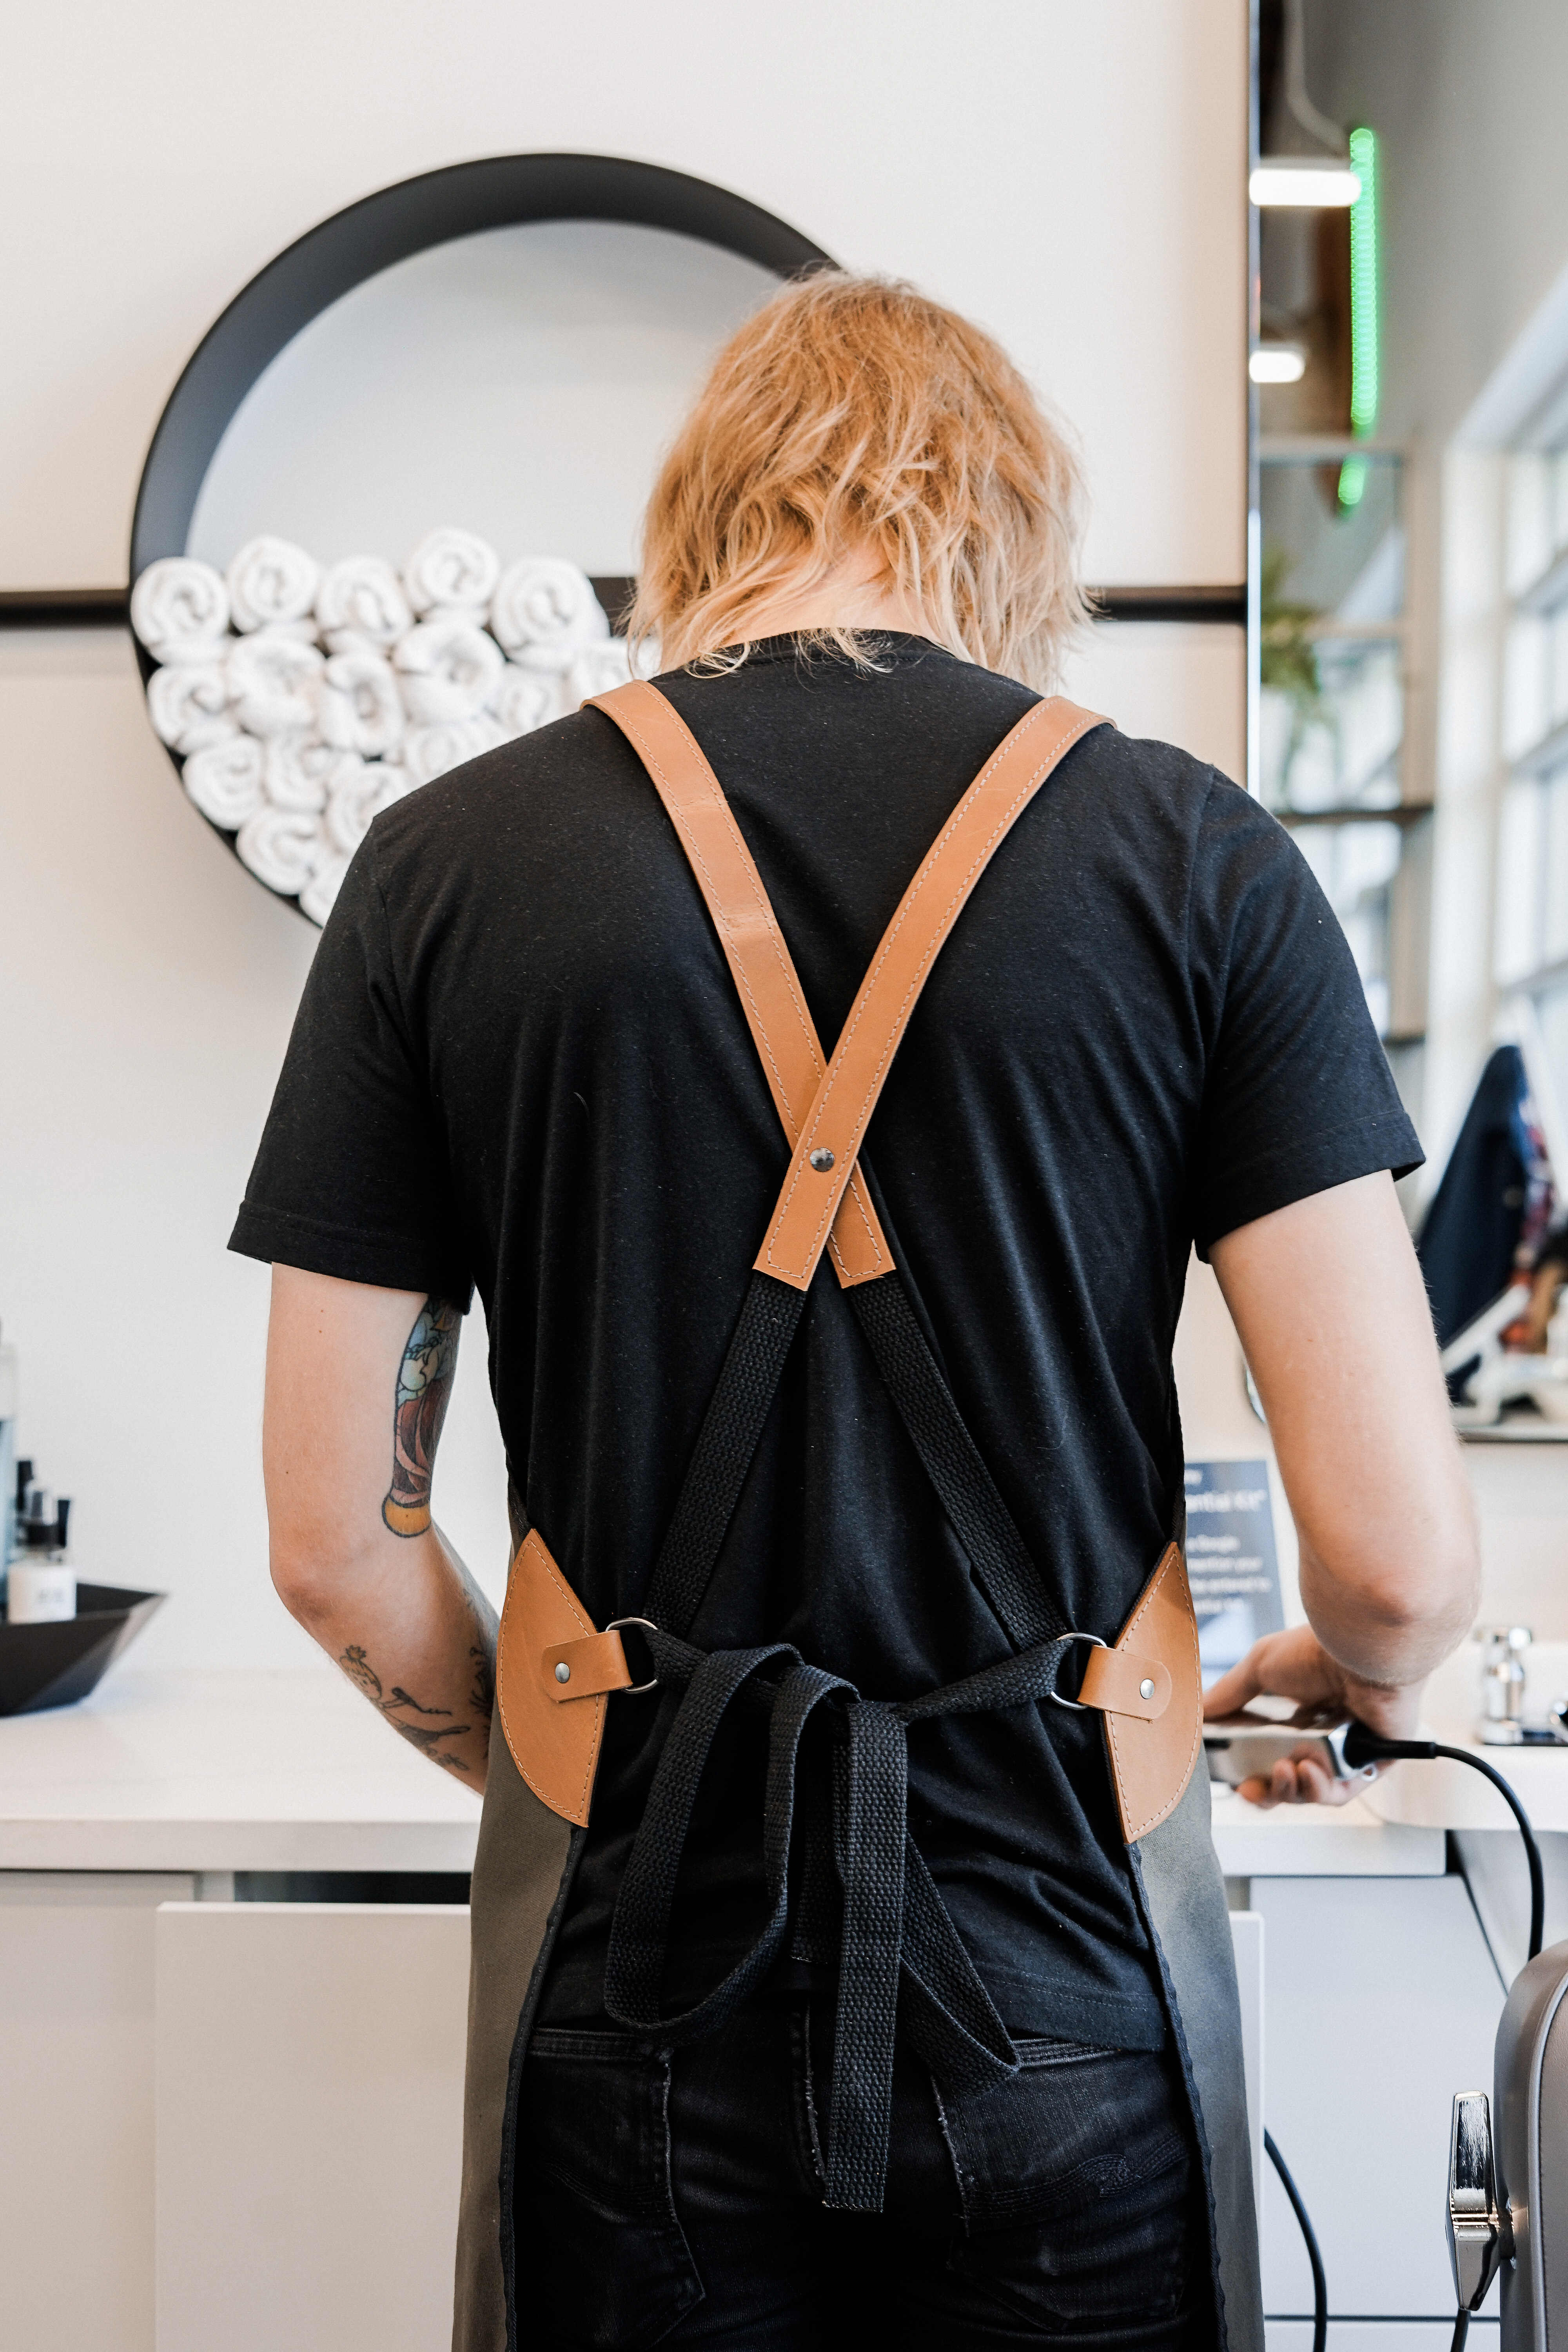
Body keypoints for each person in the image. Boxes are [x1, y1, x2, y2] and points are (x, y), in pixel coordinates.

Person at [237, 273, 1477, 2352]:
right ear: (1005, 528)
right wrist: (1324, 1676)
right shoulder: (1195, 862)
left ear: (710, 508)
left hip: (628, 1997)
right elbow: (1401, 1567)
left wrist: (573, 1774)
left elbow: (330, 1543)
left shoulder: (440, 871)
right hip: (1062, 1979)